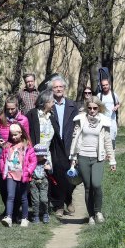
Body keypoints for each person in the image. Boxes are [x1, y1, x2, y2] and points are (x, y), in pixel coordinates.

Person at [69, 96, 116, 224]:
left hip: (98, 157)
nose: (92, 110)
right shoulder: (80, 120)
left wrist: (112, 160)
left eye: (95, 108)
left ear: (99, 108)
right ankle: (90, 215)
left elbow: (107, 141)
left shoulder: (104, 121)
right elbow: (75, 139)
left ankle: (98, 211)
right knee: (88, 187)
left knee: (96, 184)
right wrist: (73, 158)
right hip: (83, 156)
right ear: (86, 108)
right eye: (89, 108)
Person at [0, 96, 31, 211]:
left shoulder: (23, 120)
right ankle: (7, 208)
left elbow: (27, 138)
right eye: (8, 109)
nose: (10, 111)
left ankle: (15, 210)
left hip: (18, 156)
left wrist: (28, 155)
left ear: (17, 107)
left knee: (17, 184)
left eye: (12, 109)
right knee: (3, 184)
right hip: (3, 155)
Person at [49, 76, 79, 216]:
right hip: (54, 145)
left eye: (61, 87)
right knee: (56, 175)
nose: (59, 89)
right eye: (56, 87)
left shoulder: (73, 106)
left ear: (64, 89)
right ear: (52, 89)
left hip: (69, 144)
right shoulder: (48, 105)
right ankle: (59, 205)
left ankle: (69, 198)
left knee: (71, 175)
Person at [25, 91, 56, 222]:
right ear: (45, 102)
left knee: (46, 181)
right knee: (33, 182)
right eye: (52, 101)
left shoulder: (51, 116)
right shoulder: (32, 114)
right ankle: (34, 212)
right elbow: (26, 133)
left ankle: (45, 211)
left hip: (47, 153)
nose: (53, 103)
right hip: (33, 154)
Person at [0, 122, 36, 227]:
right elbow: (2, 158)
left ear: (21, 134)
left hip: (23, 175)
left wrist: (28, 171)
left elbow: (33, 161)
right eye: (11, 135)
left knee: (23, 197)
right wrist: (3, 169)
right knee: (10, 196)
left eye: (15, 135)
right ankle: (9, 217)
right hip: (10, 174)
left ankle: (24, 218)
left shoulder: (27, 146)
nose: (13, 137)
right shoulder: (7, 146)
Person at [30, 143, 51, 224]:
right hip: (33, 182)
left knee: (44, 199)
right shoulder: (32, 161)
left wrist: (49, 168)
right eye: (37, 156)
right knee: (35, 200)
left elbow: (51, 171)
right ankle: (36, 216)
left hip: (43, 182)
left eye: (41, 156)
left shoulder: (46, 161)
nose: (39, 158)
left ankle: (45, 214)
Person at [97, 78, 120, 147]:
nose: (105, 86)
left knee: (112, 136)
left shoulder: (114, 95)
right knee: (102, 137)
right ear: (101, 86)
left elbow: (118, 103)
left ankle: (112, 152)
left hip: (112, 120)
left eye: (106, 85)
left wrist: (116, 107)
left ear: (109, 85)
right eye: (103, 85)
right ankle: (103, 153)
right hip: (102, 120)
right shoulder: (99, 95)